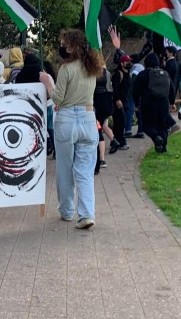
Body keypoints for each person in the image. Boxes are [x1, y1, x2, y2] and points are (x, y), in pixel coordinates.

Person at [39, 29, 103, 230]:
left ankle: (67, 211)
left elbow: (57, 98)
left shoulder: (67, 69)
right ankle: (87, 213)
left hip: (66, 119)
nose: (62, 47)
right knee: (84, 170)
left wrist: (49, 82)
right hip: (88, 118)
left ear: (73, 46)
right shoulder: (91, 68)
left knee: (65, 168)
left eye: (64, 44)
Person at [132, 53, 174, 153]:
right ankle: (163, 148)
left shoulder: (143, 74)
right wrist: (172, 102)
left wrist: (136, 103)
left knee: (147, 125)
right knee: (162, 125)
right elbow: (171, 88)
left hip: (148, 103)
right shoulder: (164, 73)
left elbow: (135, 90)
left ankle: (155, 137)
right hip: (163, 103)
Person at [93, 66, 116, 166]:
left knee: (98, 130)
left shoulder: (96, 76)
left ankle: (101, 159)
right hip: (107, 105)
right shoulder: (107, 73)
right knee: (102, 126)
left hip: (99, 107)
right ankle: (113, 140)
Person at [110, 56, 132, 153]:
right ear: (122, 63)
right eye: (127, 62)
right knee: (120, 122)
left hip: (125, 101)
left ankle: (115, 141)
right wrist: (117, 99)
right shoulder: (118, 74)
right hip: (118, 102)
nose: (128, 63)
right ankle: (121, 141)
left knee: (121, 122)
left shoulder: (128, 74)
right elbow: (114, 88)